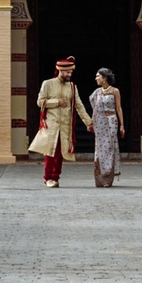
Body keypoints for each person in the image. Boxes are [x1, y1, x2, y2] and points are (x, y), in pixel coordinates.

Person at [33, 55, 83, 187]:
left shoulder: (72, 87)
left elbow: (79, 106)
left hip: (65, 125)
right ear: (60, 70)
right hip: (51, 125)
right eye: (67, 72)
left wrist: (89, 122)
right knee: (50, 152)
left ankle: (55, 178)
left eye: (71, 72)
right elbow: (39, 102)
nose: (70, 75)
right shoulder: (48, 84)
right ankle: (47, 178)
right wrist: (56, 102)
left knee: (61, 153)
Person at [88, 68, 123, 188]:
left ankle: (108, 178)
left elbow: (118, 108)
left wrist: (122, 125)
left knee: (109, 148)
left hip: (111, 120)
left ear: (105, 78)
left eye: (98, 76)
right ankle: (99, 179)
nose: (96, 78)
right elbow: (94, 108)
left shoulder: (115, 91)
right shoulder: (97, 92)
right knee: (99, 149)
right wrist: (91, 123)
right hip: (99, 121)